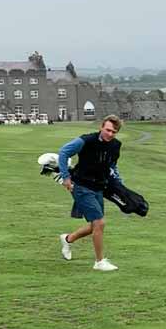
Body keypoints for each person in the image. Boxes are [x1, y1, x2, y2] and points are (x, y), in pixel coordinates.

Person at [56, 115, 125, 272]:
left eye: (114, 132)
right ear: (101, 127)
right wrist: (66, 177)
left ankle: (67, 239)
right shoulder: (86, 140)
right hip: (80, 186)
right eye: (107, 130)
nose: (110, 134)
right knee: (99, 223)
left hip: (99, 187)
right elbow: (63, 152)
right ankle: (99, 262)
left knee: (94, 225)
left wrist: (119, 183)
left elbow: (112, 166)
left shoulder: (115, 145)